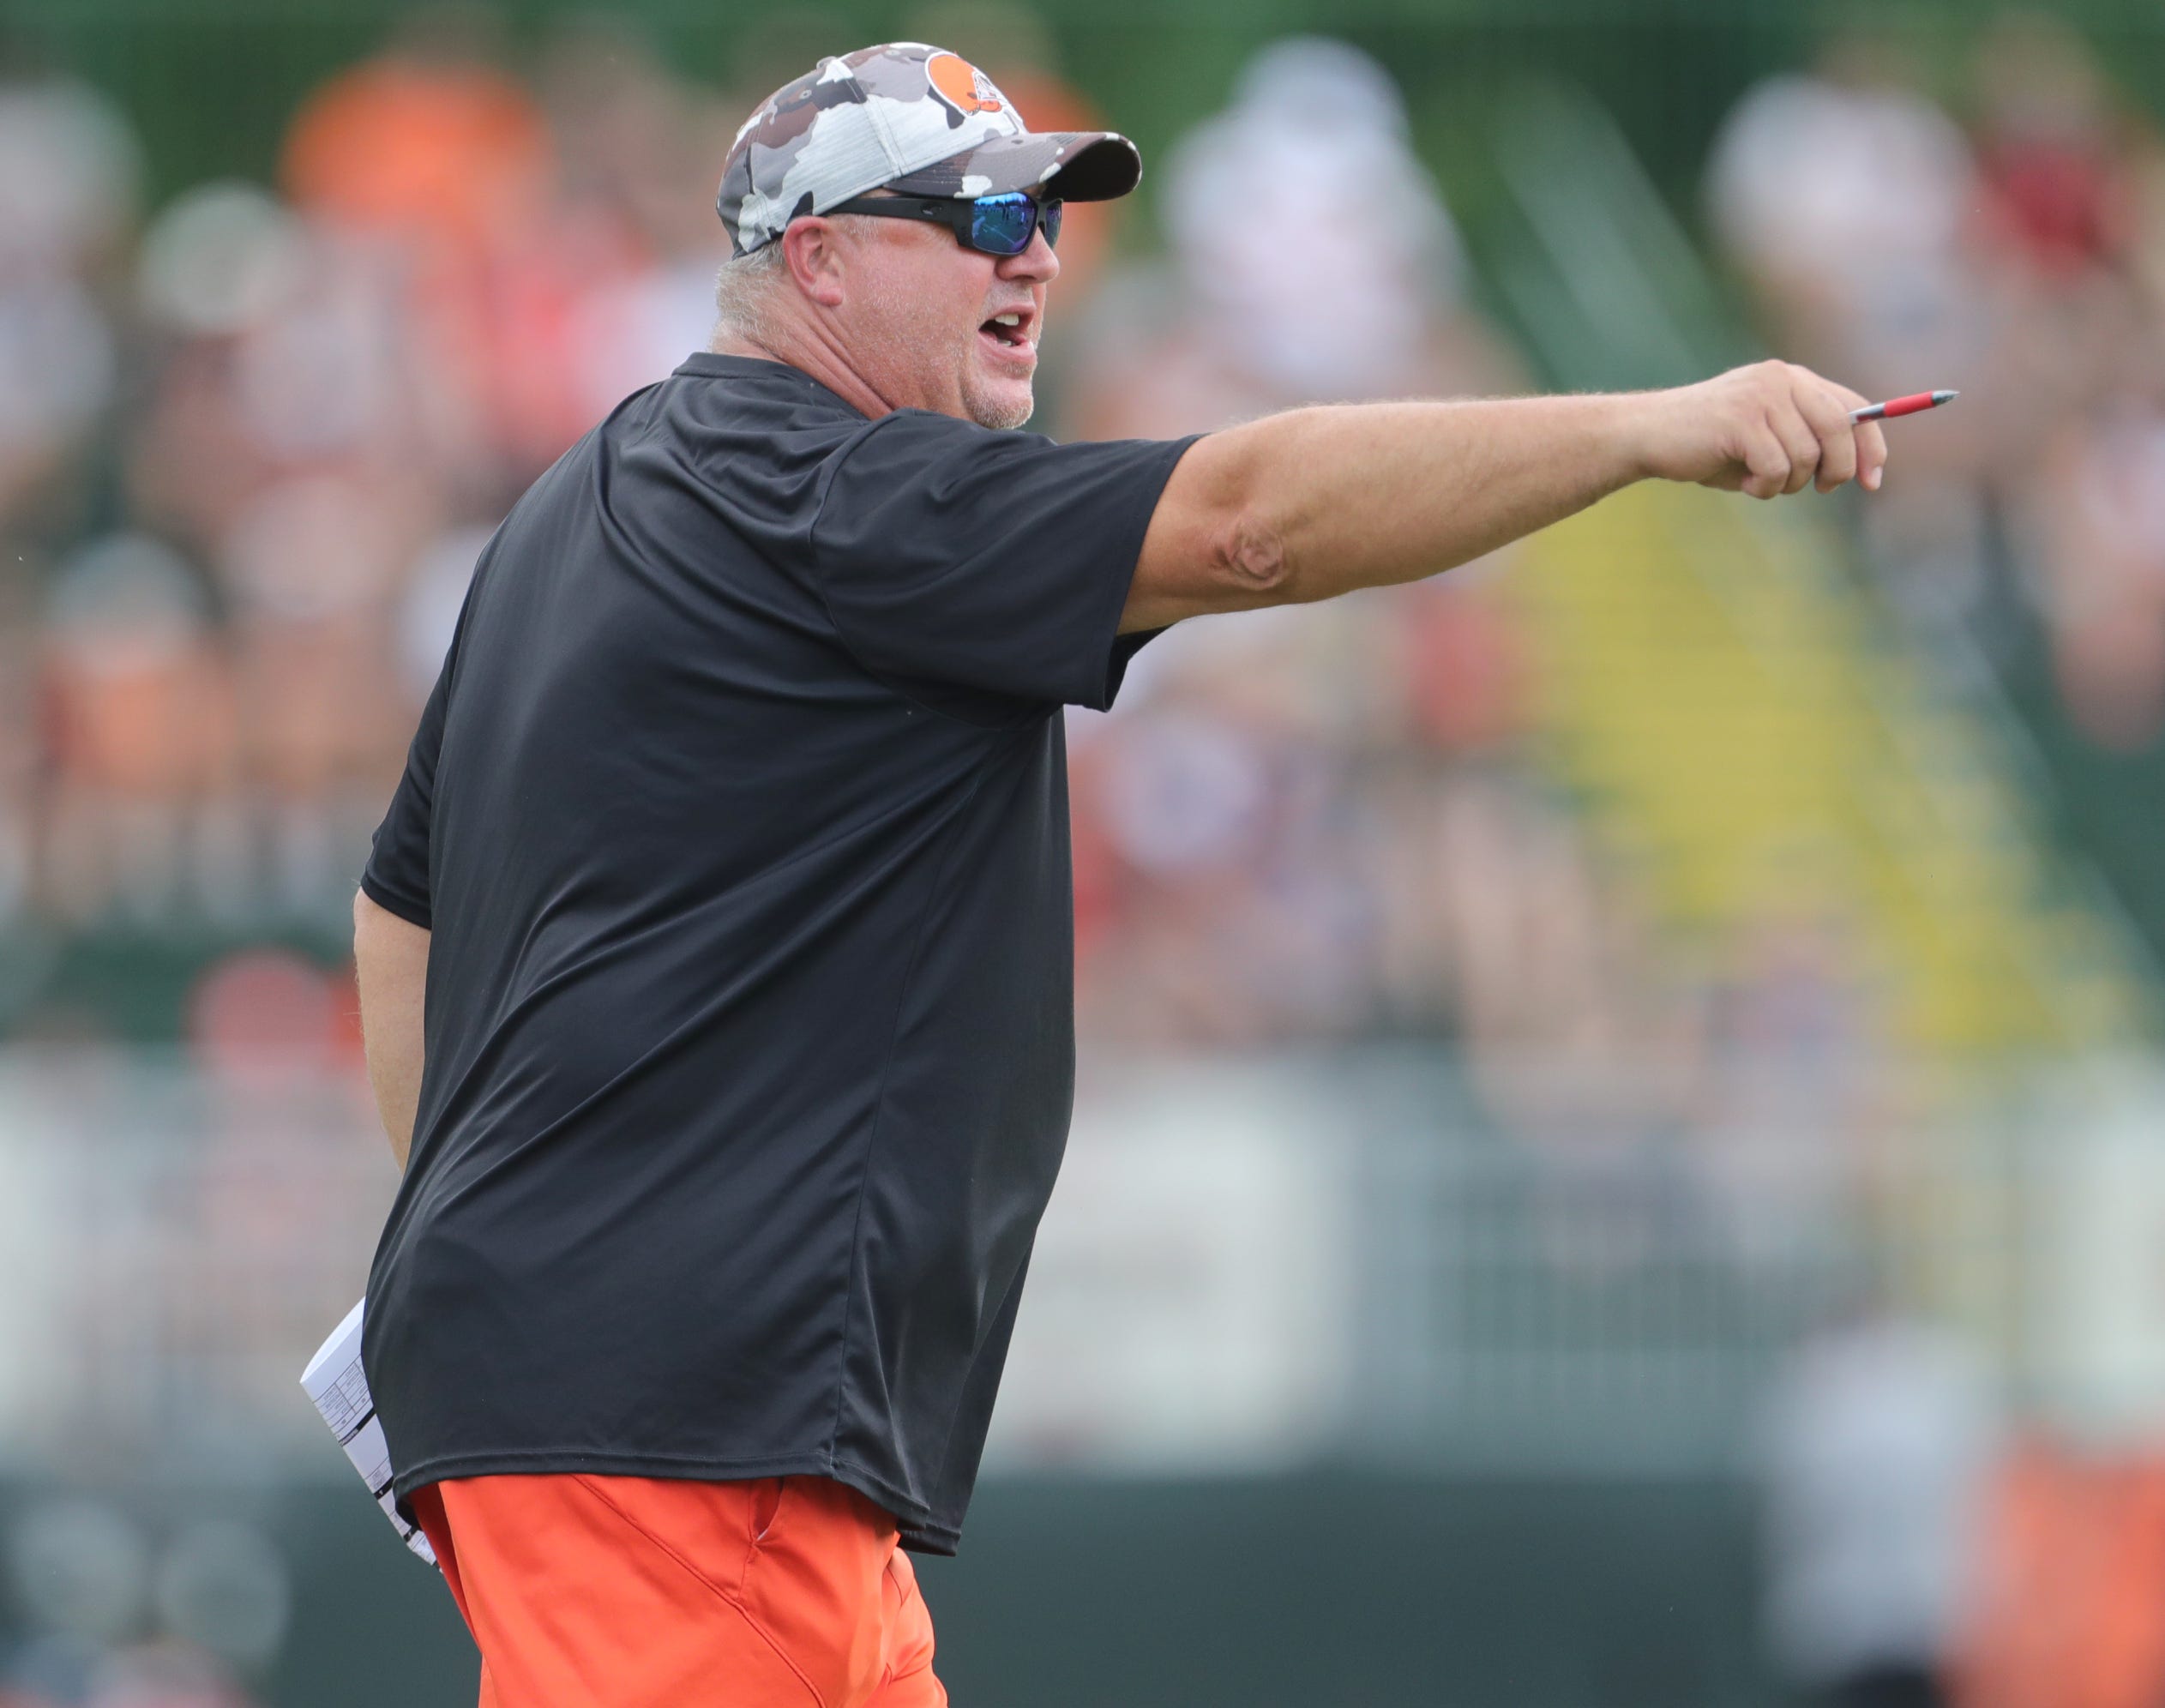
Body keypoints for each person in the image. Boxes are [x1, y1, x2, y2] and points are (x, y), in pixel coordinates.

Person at [349, 40, 1892, 1708]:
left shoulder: (573, 509)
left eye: (1046, 219)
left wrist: (488, 1239)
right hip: (676, 1424)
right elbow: (1247, 524)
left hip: (656, 1410)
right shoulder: (834, 497)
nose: (1032, 256)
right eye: (979, 218)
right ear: (818, 259)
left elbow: (397, 911)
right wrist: (1648, 427)